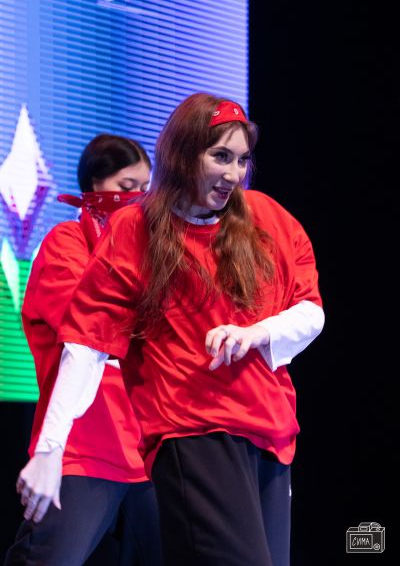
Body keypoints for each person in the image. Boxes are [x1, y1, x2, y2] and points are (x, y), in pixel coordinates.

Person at [14, 94, 325, 566]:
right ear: (182, 155)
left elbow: (310, 310)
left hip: (271, 435)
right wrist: (50, 449)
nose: (234, 173)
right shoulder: (131, 231)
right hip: (185, 430)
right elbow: (86, 343)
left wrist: (256, 333)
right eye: (220, 156)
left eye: (242, 160)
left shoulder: (266, 220)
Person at [5, 134, 163, 566]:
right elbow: (90, 327)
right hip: (84, 446)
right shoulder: (65, 243)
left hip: (147, 448)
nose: (138, 198)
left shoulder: (149, 253)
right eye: (127, 186)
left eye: (145, 188)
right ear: (95, 184)